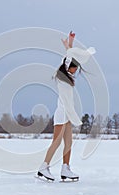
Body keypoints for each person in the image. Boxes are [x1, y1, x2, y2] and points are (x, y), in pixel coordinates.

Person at [37, 31, 94, 182]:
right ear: (69, 67)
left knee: (68, 143)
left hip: (67, 114)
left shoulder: (67, 73)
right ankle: (43, 168)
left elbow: (68, 57)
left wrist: (70, 43)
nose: (76, 70)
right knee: (56, 142)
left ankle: (65, 169)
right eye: (75, 67)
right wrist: (75, 118)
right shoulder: (62, 79)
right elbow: (67, 59)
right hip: (63, 113)